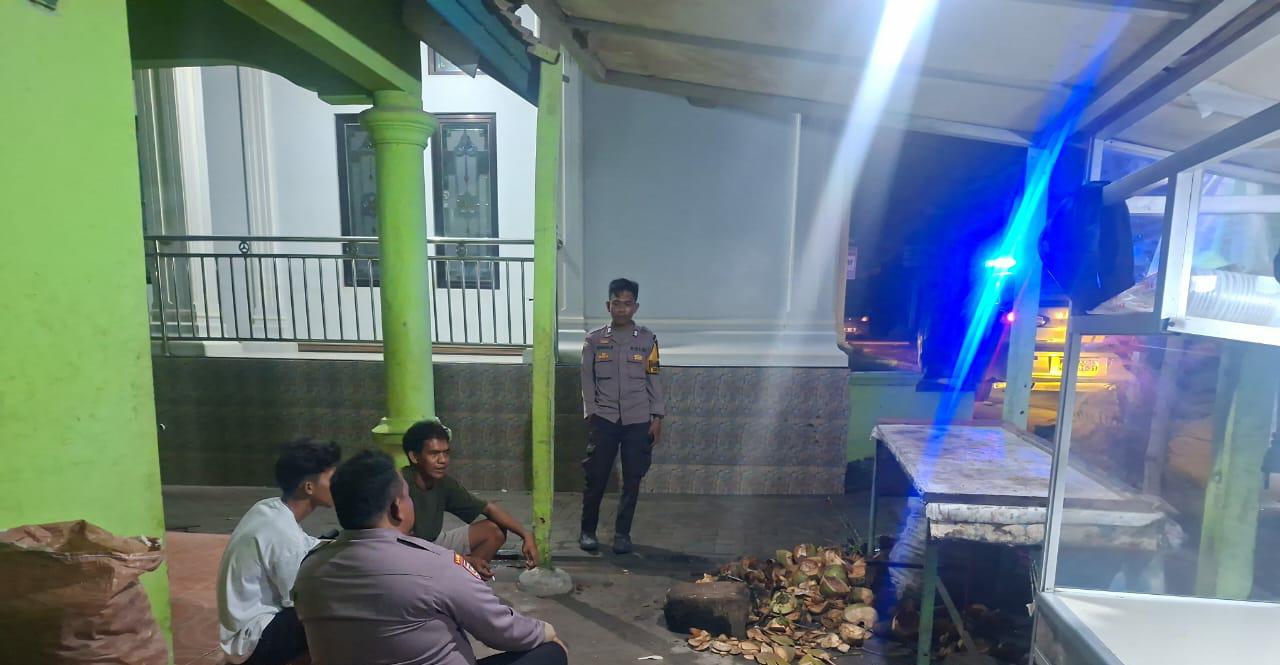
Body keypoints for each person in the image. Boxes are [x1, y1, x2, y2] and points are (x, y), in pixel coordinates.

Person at [293, 450, 568, 665]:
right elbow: (503, 631)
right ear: (396, 508)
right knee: (551, 652)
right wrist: (545, 629)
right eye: (406, 496)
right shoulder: (437, 566)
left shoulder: (309, 569)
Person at [217, 439, 341, 665]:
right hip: (251, 642)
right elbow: (297, 598)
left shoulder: (269, 508)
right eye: (332, 479)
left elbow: (305, 545)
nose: (338, 485)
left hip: (243, 628)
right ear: (309, 487)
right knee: (330, 611)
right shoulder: (282, 532)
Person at [578, 277, 666, 554]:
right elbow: (587, 379)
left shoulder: (648, 340)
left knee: (632, 480)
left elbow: (653, 378)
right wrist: (591, 413)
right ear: (608, 305)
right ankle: (587, 531)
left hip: (638, 419)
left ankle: (622, 534)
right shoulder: (594, 340)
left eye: (627, 304)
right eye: (617, 303)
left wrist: (657, 416)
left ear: (635, 307)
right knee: (596, 478)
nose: (621, 309)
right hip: (604, 419)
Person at [400, 419, 538, 579]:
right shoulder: (397, 486)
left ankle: (466, 583)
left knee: (494, 530)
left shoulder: (443, 483)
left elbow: (488, 508)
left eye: (446, 453)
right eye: (434, 454)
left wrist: (526, 535)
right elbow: (403, 546)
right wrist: (462, 560)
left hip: (433, 543)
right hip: (406, 554)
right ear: (414, 457)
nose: (442, 460)